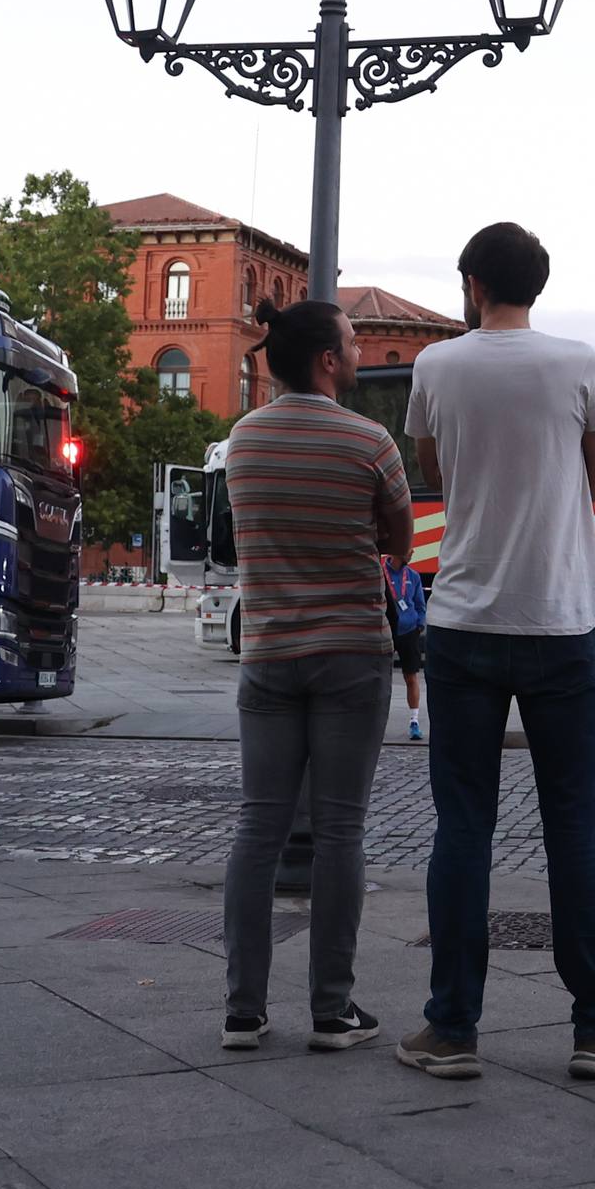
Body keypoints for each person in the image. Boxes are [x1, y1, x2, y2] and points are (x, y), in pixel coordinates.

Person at [397, 223, 595, 1082]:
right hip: (560, 624)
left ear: (474, 283)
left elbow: (435, 466)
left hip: (461, 625)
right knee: (575, 829)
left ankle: (450, 1028)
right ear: (536, 285)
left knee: (463, 829)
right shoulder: (576, 364)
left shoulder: (434, 368)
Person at [218, 300, 412, 1056]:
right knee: (339, 831)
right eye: (355, 342)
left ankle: (242, 1009)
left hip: (267, 653)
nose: (362, 351)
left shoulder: (242, 439)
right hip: (351, 655)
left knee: (256, 829)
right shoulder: (370, 442)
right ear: (329, 359)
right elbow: (398, 540)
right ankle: (331, 1011)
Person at [386, 543, 429, 741]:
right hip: (386, 632)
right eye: (409, 548)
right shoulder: (380, 574)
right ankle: (378, 722)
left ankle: (414, 722)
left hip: (408, 632)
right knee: (381, 680)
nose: (412, 552)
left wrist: (418, 624)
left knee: (411, 678)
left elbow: (420, 605)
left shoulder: (413, 576)